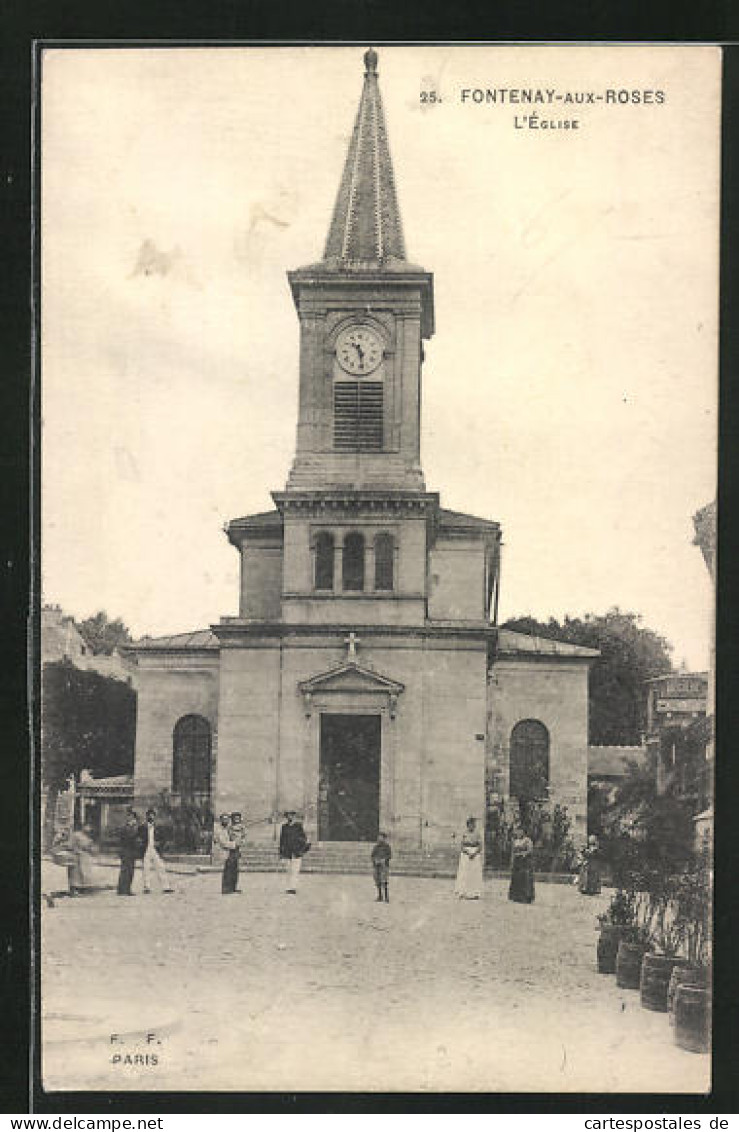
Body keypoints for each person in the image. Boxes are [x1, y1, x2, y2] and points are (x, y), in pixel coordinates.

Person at [141, 809, 174, 894]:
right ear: (146, 816)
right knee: (146, 868)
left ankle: (166, 886)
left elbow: (164, 839)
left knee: (160, 867)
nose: (150, 817)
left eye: (152, 815)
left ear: (154, 817)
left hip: (155, 850)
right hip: (146, 849)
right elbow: (139, 838)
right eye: (149, 815)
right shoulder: (142, 827)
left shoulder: (159, 827)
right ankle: (147, 887)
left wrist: (160, 844)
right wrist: (141, 846)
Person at [279, 811, 310, 894]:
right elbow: (282, 840)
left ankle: (293, 887)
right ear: (286, 817)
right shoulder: (284, 827)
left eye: (292, 815)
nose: (290, 817)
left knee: (295, 870)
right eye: (288, 815)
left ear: (294, 816)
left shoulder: (298, 826)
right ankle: (288, 887)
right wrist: (281, 853)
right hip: (287, 852)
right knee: (288, 870)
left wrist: (300, 847)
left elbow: (304, 838)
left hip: (296, 851)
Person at [454, 816, 483, 899]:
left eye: (473, 824)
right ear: (467, 825)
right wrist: (467, 852)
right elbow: (462, 845)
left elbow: (480, 846)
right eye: (470, 824)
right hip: (465, 855)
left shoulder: (477, 834)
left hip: (475, 855)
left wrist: (474, 853)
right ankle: (463, 891)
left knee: (474, 874)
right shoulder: (464, 834)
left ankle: (474, 892)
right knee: (464, 873)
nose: (472, 826)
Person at [508, 822, 535, 904]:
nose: (519, 833)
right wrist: (512, 862)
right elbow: (512, 852)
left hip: (525, 862)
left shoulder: (527, 840)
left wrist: (524, 854)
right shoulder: (515, 841)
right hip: (517, 862)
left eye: (521, 831)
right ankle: (516, 896)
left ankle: (526, 897)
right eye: (518, 831)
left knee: (525, 878)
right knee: (516, 878)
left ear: (524, 832)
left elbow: (530, 850)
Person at [117, 809, 141, 896]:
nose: (129, 818)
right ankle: (123, 890)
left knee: (130, 871)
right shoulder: (126, 827)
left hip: (131, 851)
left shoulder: (134, 827)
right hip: (126, 850)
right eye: (128, 816)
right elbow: (128, 837)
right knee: (125, 870)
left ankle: (125, 889)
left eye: (130, 816)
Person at [67, 824, 96, 895]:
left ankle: (83, 888)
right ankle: (74, 889)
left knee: (84, 873)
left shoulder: (88, 836)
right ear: (83, 827)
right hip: (77, 856)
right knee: (75, 873)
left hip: (85, 856)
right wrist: (76, 851)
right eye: (87, 827)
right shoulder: (76, 835)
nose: (88, 829)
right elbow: (70, 845)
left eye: (90, 828)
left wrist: (91, 849)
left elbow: (90, 846)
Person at [371, 831, 392, 902]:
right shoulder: (376, 847)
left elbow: (389, 855)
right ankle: (380, 896)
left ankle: (386, 897)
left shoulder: (387, 847)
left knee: (384, 881)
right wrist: (375, 860)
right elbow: (372, 855)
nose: (379, 839)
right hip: (377, 866)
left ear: (384, 838)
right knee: (377, 881)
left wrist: (384, 860)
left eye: (381, 837)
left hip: (384, 866)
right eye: (378, 837)